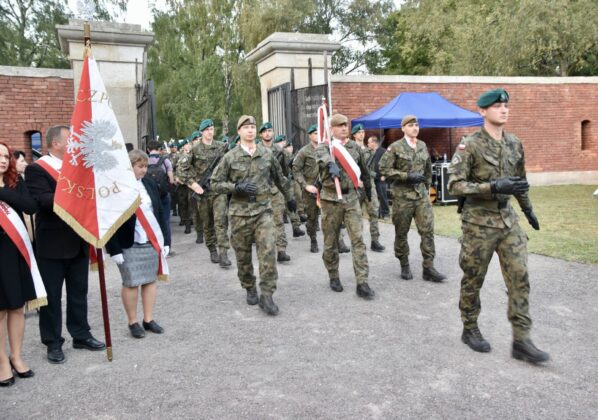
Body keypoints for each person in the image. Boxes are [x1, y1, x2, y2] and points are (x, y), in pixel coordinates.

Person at [448, 88, 549, 364]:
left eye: (506, 105)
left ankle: (522, 340)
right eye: (496, 106)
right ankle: (469, 328)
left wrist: (528, 209)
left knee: (520, 276)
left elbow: (519, 182)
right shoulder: (470, 145)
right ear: (482, 111)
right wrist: (491, 186)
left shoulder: (515, 143)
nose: (503, 110)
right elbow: (455, 185)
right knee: (473, 278)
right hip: (478, 222)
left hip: (507, 221)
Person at [25, 125, 105, 364]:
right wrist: (76, 194)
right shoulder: (36, 169)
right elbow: (43, 201)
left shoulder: (78, 169)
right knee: (51, 298)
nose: (75, 146)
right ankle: (53, 342)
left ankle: (80, 334)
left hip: (78, 240)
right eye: (70, 141)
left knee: (78, 293)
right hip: (52, 244)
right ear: (56, 144)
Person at [211, 115, 295, 315]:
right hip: (239, 215)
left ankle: (267, 295)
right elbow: (214, 183)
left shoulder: (267, 154)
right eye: (246, 127)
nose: (250, 130)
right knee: (243, 256)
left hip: (263, 212)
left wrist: (291, 198)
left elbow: (280, 178)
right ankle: (249, 286)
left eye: (252, 127)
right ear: (239, 131)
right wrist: (235, 187)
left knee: (267, 252)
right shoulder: (230, 157)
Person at [106, 150, 170, 339]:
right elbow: (110, 219)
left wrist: (165, 240)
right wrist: (113, 248)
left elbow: (159, 212)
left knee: (150, 280)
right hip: (128, 243)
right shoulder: (117, 188)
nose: (144, 170)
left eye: (145, 166)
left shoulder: (149, 184)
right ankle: (133, 321)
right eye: (140, 167)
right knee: (131, 282)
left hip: (150, 240)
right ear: (129, 167)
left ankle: (148, 319)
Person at [379, 115, 446, 283]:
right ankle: (404, 264)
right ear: (403, 129)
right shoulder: (395, 147)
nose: (415, 128)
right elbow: (383, 168)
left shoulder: (422, 145)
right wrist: (406, 176)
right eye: (410, 126)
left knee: (428, 231)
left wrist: (427, 187)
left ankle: (428, 267)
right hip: (403, 197)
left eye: (416, 125)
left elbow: (427, 169)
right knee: (401, 232)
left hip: (421, 196)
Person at [316, 114, 375, 299]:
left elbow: (364, 172)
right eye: (339, 126)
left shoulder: (354, 148)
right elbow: (322, 157)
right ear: (331, 129)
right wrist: (330, 163)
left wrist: (369, 194)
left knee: (358, 240)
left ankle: (362, 282)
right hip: (330, 199)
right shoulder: (325, 147)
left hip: (350, 198)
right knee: (330, 241)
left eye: (345, 125)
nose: (344, 128)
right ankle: (333, 275)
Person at [0, 141, 42, 387]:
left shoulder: (16, 183)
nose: (4, 160)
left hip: (14, 253)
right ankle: (2, 362)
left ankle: (16, 356)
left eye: (6, 156)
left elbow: (30, 206)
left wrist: (3, 192)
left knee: (17, 307)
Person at [178, 120, 230, 266]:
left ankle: (223, 253)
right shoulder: (193, 148)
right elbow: (181, 169)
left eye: (212, 129)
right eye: (207, 130)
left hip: (218, 190)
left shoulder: (221, 147)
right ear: (201, 132)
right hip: (202, 193)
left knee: (220, 221)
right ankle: (212, 250)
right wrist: (194, 185)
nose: (210, 132)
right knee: (207, 224)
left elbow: (230, 165)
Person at [258, 124, 294, 262]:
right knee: (262, 223)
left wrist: (288, 194)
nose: (267, 134)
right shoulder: (256, 149)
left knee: (278, 221)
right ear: (260, 135)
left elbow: (285, 172)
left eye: (269, 131)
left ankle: (281, 250)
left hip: (275, 190)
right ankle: (266, 250)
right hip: (260, 191)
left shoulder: (280, 150)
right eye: (264, 132)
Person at [351, 124, 385, 252]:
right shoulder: (350, 150)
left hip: (369, 186)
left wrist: (373, 174)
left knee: (374, 213)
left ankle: (375, 241)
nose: (362, 134)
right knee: (356, 215)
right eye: (359, 132)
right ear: (354, 135)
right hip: (356, 187)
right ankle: (358, 242)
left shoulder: (369, 151)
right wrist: (356, 180)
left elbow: (371, 169)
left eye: (363, 132)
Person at [293, 124, 321, 253]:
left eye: (319, 132)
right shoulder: (304, 151)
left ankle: (339, 241)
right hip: (311, 189)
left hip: (326, 187)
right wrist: (305, 185)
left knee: (334, 215)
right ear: (310, 135)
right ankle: (313, 240)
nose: (317, 135)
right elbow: (296, 170)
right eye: (314, 133)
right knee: (312, 217)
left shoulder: (327, 149)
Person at [146, 140, 174, 254]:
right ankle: (167, 246)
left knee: (152, 220)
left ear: (148, 150)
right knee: (165, 220)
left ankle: (155, 245)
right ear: (160, 149)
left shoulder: (144, 161)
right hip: (163, 195)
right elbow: (171, 179)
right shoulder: (165, 160)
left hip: (150, 196)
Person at [367, 137, 390, 218]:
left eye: (369, 142)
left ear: (374, 143)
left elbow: (389, 164)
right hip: (372, 177)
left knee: (382, 196)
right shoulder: (370, 152)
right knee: (374, 197)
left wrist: (385, 175)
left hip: (381, 177)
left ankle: (386, 213)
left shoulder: (383, 151)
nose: (368, 144)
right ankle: (378, 213)